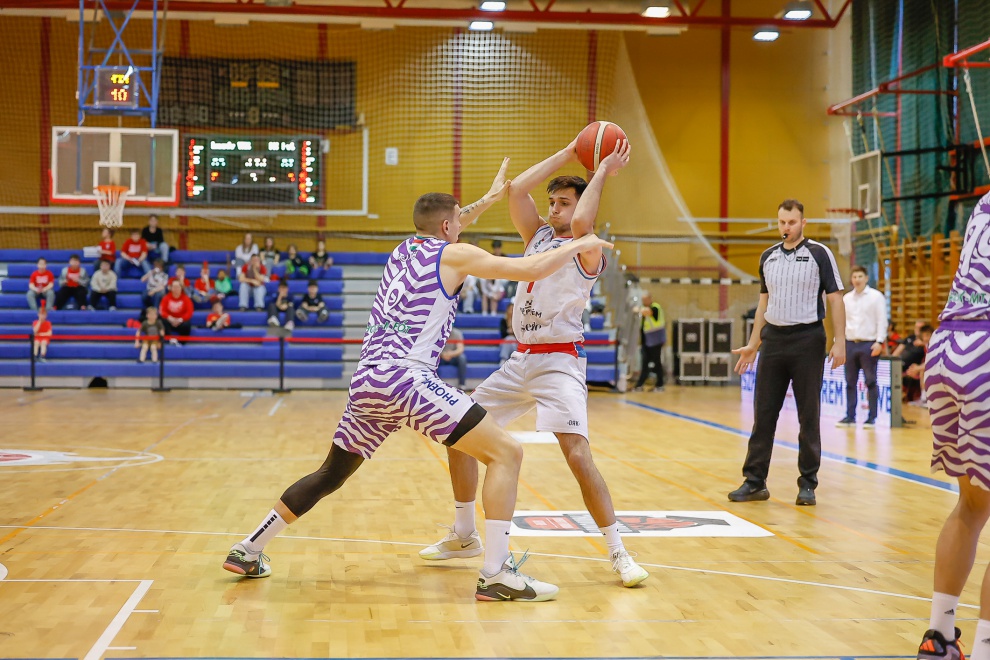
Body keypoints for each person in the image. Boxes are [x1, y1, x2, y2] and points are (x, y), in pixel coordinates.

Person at [223, 163, 612, 602]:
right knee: (507, 452)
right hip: (405, 378)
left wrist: (485, 201)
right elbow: (530, 269)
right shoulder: (455, 254)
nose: (462, 225)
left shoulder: (402, 251)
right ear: (448, 228)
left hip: (366, 379)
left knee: (331, 473)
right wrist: (581, 242)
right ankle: (496, 575)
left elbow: (449, 221)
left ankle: (248, 548)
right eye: (458, 222)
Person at [419, 137, 649, 588]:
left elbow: (582, 221)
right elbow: (518, 189)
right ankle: (464, 534)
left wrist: (602, 169)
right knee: (458, 431)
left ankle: (618, 551)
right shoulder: (539, 236)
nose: (554, 210)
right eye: (553, 202)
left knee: (577, 455)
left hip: (560, 362)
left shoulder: (588, 246)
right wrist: (571, 150)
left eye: (564, 203)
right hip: (520, 360)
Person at [913, 191, 990, 660]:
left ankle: (939, 637)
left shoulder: (983, 204)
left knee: (972, 505)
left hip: (946, 349)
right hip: (986, 351)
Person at [729, 199, 846, 507]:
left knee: (809, 414)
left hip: (808, 340)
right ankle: (755, 482)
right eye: (782, 222)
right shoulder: (767, 257)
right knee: (764, 414)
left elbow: (835, 299)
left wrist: (840, 341)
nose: (786, 227)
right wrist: (753, 344)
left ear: (803, 223)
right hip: (774, 342)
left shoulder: (820, 253)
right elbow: (763, 304)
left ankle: (807, 484)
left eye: (792, 222)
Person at [836, 265, 887, 428]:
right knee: (850, 382)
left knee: (870, 381)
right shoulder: (847, 298)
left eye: (860, 276)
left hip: (868, 344)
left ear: (866, 278)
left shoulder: (876, 297)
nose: (857, 280)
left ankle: (872, 417)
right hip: (850, 344)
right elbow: (842, 321)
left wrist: (879, 341)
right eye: (854, 277)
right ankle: (850, 416)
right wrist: (839, 342)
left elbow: (882, 320)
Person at [631, 291, 666, 392]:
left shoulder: (655, 307)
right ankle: (639, 385)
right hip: (647, 341)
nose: (643, 301)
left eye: (645, 300)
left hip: (656, 340)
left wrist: (637, 309)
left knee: (657, 363)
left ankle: (660, 385)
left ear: (650, 299)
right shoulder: (644, 308)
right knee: (645, 363)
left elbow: (647, 312)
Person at [902, 324, 933, 403]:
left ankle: (925, 397)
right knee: (920, 369)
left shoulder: (935, 345)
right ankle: (923, 396)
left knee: (922, 370)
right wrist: (916, 368)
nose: (925, 338)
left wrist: (917, 368)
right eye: (924, 336)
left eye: (927, 335)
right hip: (930, 365)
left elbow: (933, 362)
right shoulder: (926, 345)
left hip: (939, 367)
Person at [159, 280, 194, 345]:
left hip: (181, 322)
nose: (176, 289)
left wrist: (180, 320)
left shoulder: (186, 299)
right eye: (174, 287)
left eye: (178, 287)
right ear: (171, 288)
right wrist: (170, 318)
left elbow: (189, 312)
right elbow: (162, 311)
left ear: (181, 288)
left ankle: (181, 342)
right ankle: (170, 339)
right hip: (169, 321)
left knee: (187, 324)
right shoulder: (166, 298)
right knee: (162, 320)